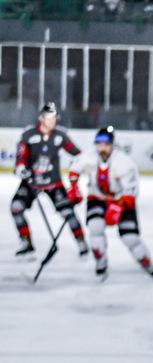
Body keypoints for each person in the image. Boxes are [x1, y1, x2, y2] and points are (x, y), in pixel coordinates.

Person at [67, 126, 153, 280]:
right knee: (95, 226)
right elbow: (74, 170)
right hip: (97, 199)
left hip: (121, 200)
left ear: (112, 144)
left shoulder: (123, 162)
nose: (102, 148)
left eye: (106, 144)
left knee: (130, 238)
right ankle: (101, 260)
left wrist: (118, 207)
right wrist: (74, 188)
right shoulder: (89, 157)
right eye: (99, 144)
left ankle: (146, 262)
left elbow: (130, 191)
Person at [10, 102, 87, 258]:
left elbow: (78, 154)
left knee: (68, 212)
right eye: (49, 118)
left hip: (54, 184)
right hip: (31, 183)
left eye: (54, 118)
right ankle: (26, 242)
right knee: (16, 207)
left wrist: (78, 164)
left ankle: (81, 242)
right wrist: (21, 169)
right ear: (41, 118)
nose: (52, 121)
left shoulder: (59, 136)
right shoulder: (29, 135)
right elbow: (21, 157)